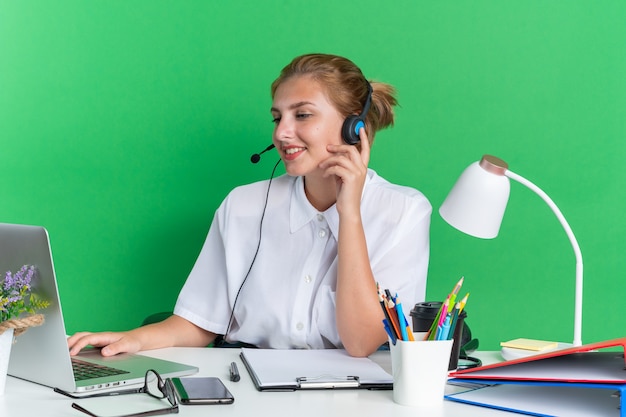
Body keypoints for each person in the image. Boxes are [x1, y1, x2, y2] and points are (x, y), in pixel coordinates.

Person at [68, 53, 431, 358]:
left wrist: (349, 213)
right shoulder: (243, 205)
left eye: (302, 115)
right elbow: (200, 321)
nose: (281, 133)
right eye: (277, 117)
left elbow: (362, 342)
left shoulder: (404, 212)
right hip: (248, 389)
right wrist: (131, 340)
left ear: (354, 126)